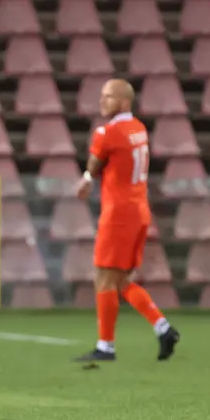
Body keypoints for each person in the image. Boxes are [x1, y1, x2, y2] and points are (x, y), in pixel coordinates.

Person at [74, 78, 180, 362]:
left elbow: (95, 164)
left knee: (104, 277)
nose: (101, 101)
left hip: (119, 214)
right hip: (139, 211)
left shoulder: (108, 132)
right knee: (120, 280)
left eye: (107, 97)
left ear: (123, 101)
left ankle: (105, 346)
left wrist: (86, 179)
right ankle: (163, 328)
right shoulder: (139, 129)